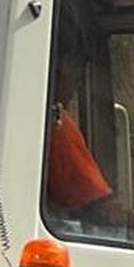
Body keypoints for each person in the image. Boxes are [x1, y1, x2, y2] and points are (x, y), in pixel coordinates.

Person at [44, 64, 113, 219]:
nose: (77, 84)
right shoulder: (54, 122)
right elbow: (86, 198)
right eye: (76, 74)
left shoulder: (57, 117)